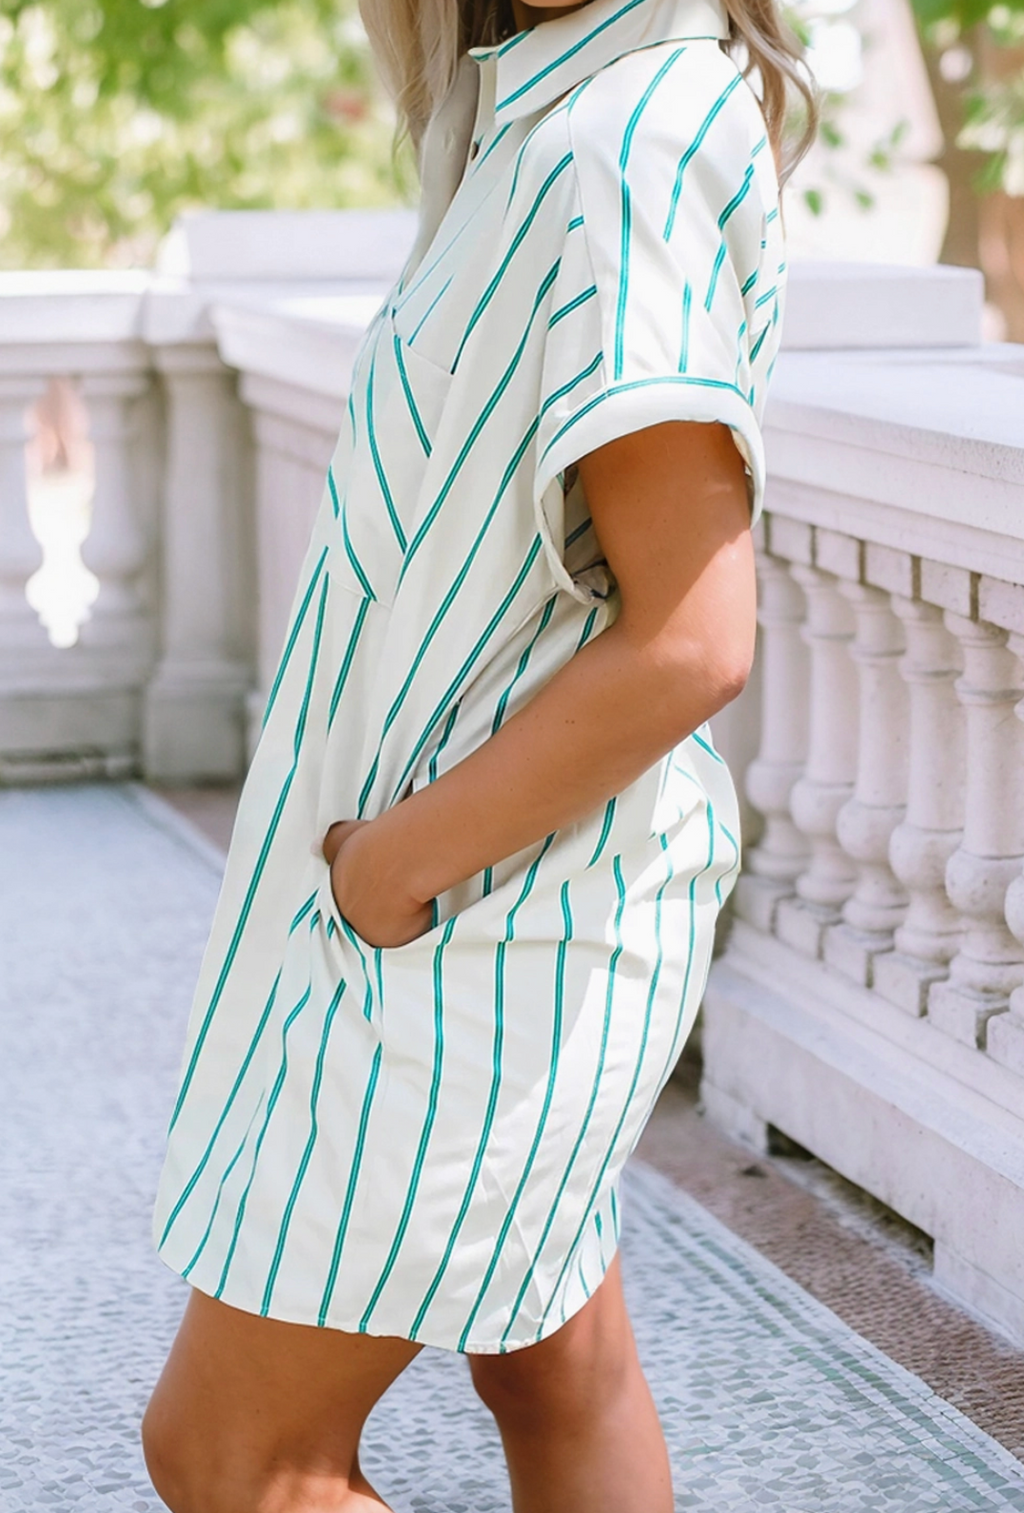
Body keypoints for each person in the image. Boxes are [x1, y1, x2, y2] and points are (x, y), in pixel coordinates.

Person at [142, 0, 816, 1507]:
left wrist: (396, 868)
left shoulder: (617, 143)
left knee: (233, 1454)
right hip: (497, 900)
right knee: (553, 1367)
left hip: (485, 915)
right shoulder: (547, 123)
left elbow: (699, 635)